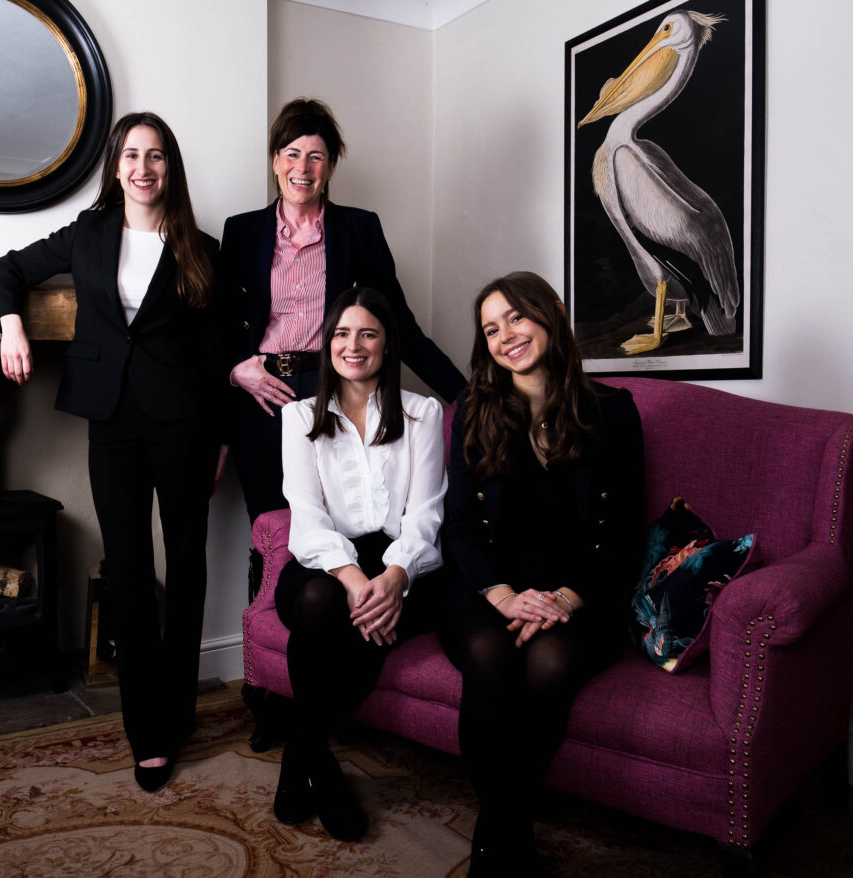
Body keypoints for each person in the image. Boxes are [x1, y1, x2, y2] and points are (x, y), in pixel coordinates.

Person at [0, 111, 226, 794]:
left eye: (155, 156)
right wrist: (12, 328)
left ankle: (176, 712)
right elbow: (8, 270)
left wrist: (223, 439)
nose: (143, 168)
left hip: (185, 422)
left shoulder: (201, 248)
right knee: (126, 568)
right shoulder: (89, 233)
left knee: (185, 565)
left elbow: (218, 353)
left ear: (169, 168)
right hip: (111, 420)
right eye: (130, 156)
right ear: (115, 166)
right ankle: (144, 729)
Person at [439, 272, 645, 876]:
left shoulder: (614, 411)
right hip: (488, 588)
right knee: (489, 658)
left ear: (552, 313)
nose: (506, 336)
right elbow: (460, 529)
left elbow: (625, 533)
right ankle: (510, 832)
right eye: (491, 329)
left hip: (581, 591)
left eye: (517, 318)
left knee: (548, 663)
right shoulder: (473, 412)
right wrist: (505, 599)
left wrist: (564, 599)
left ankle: (495, 830)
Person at [220, 97, 465, 523]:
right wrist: (233, 370)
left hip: (332, 391)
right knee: (269, 525)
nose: (303, 167)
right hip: (261, 397)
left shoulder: (359, 228)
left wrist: (471, 400)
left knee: (337, 523)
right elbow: (217, 326)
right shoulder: (241, 231)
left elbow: (398, 325)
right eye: (292, 154)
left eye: (316, 156)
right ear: (276, 160)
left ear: (330, 167)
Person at [272, 286, 448, 841]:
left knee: (368, 617)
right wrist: (352, 577)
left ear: (387, 345)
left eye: (368, 333)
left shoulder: (423, 413)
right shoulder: (299, 416)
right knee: (319, 601)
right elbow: (305, 513)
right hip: (323, 560)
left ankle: (302, 752)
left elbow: (427, 510)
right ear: (327, 346)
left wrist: (396, 576)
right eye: (342, 334)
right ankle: (321, 764)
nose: (354, 345)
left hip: (401, 559)